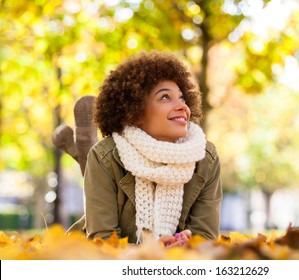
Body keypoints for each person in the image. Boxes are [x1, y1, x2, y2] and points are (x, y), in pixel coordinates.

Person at [69, 51, 222, 247]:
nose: (182, 106)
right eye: (165, 97)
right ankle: (83, 142)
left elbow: (206, 236)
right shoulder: (104, 156)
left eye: (182, 98)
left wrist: (187, 247)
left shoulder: (205, 157)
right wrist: (151, 252)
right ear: (135, 112)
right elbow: (104, 241)